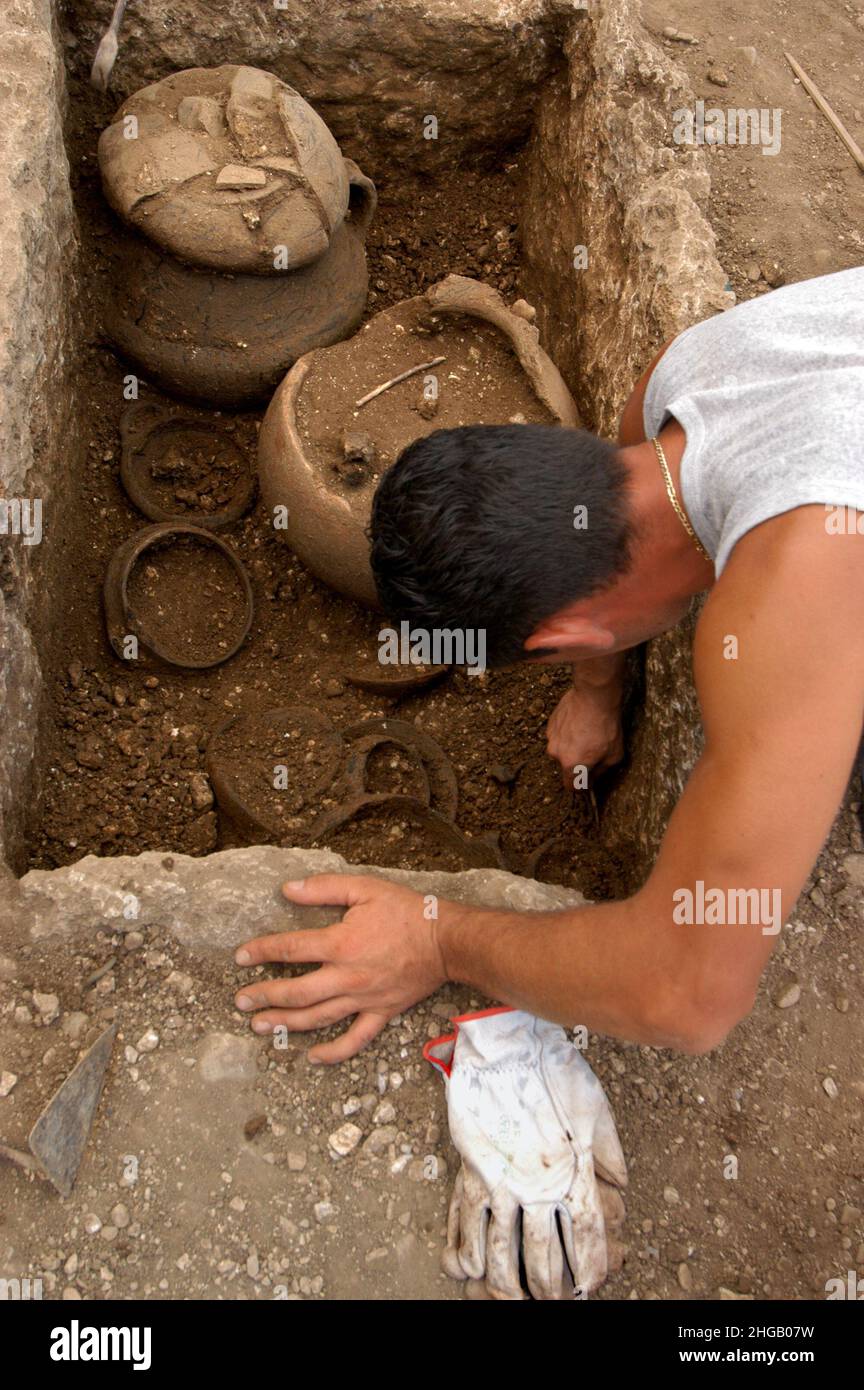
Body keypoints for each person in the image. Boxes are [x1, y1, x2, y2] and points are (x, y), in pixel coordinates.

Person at [234, 265, 864, 1064]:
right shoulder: (685, 373)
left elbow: (686, 994)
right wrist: (596, 690)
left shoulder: (796, 586)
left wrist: (439, 938)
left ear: (563, 636)